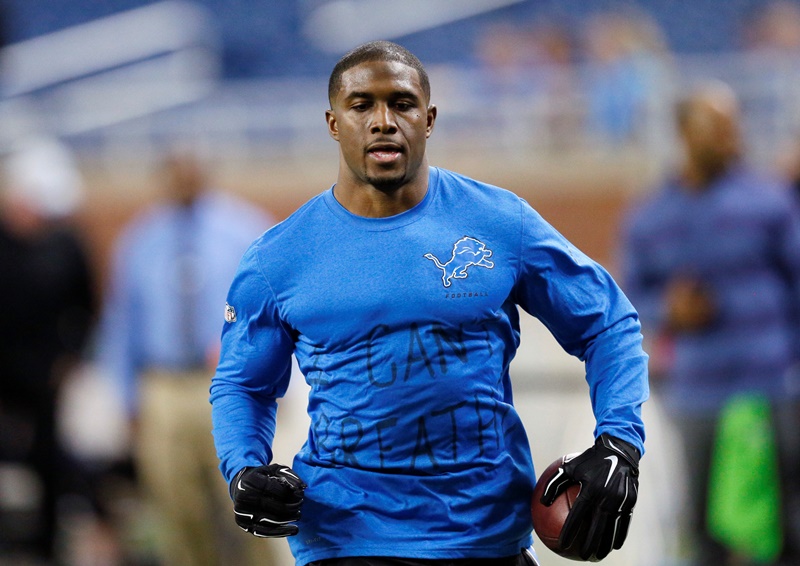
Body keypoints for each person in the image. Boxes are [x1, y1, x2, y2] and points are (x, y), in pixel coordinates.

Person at [211, 40, 649, 566]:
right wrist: (243, 469)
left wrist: (619, 441)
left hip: (485, 535)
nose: (382, 121)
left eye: (401, 103)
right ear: (333, 124)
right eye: (361, 105)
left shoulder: (500, 222)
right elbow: (242, 384)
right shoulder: (277, 258)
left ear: (429, 117)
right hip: (346, 538)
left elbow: (608, 324)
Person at [620, 82, 800, 566]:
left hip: (774, 385)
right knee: (702, 528)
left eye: (732, 124)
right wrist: (669, 313)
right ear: (683, 132)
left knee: (787, 525)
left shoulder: (771, 202)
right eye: (716, 126)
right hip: (699, 392)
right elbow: (632, 297)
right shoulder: (650, 216)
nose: (730, 136)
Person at [96, 149, 280, 566]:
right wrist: (127, 397)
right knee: (177, 505)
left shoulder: (244, 229)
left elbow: (271, 309)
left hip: (229, 384)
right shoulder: (141, 238)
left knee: (249, 498)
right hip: (163, 385)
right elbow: (123, 321)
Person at [0, 135, 97, 561]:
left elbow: (86, 306)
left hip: (43, 375)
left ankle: (45, 544)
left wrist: (69, 356)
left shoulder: (63, 245)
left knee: (49, 461)